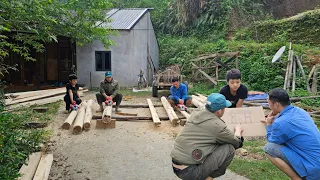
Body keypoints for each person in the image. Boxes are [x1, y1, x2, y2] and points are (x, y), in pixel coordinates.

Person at [170, 93, 244, 180]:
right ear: (219, 111)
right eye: (224, 108)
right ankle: (208, 178)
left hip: (176, 166)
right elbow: (237, 143)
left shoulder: (196, 113)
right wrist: (238, 131)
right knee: (229, 148)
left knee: (215, 143)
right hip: (190, 172)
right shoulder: (217, 126)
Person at [262, 88, 320, 180]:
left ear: (276, 104)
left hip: (312, 169)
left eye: (269, 103)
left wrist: (268, 125)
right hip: (317, 159)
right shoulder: (300, 111)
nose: (269, 106)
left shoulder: (281, 122)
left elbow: (272, 141)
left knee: (269, 148)